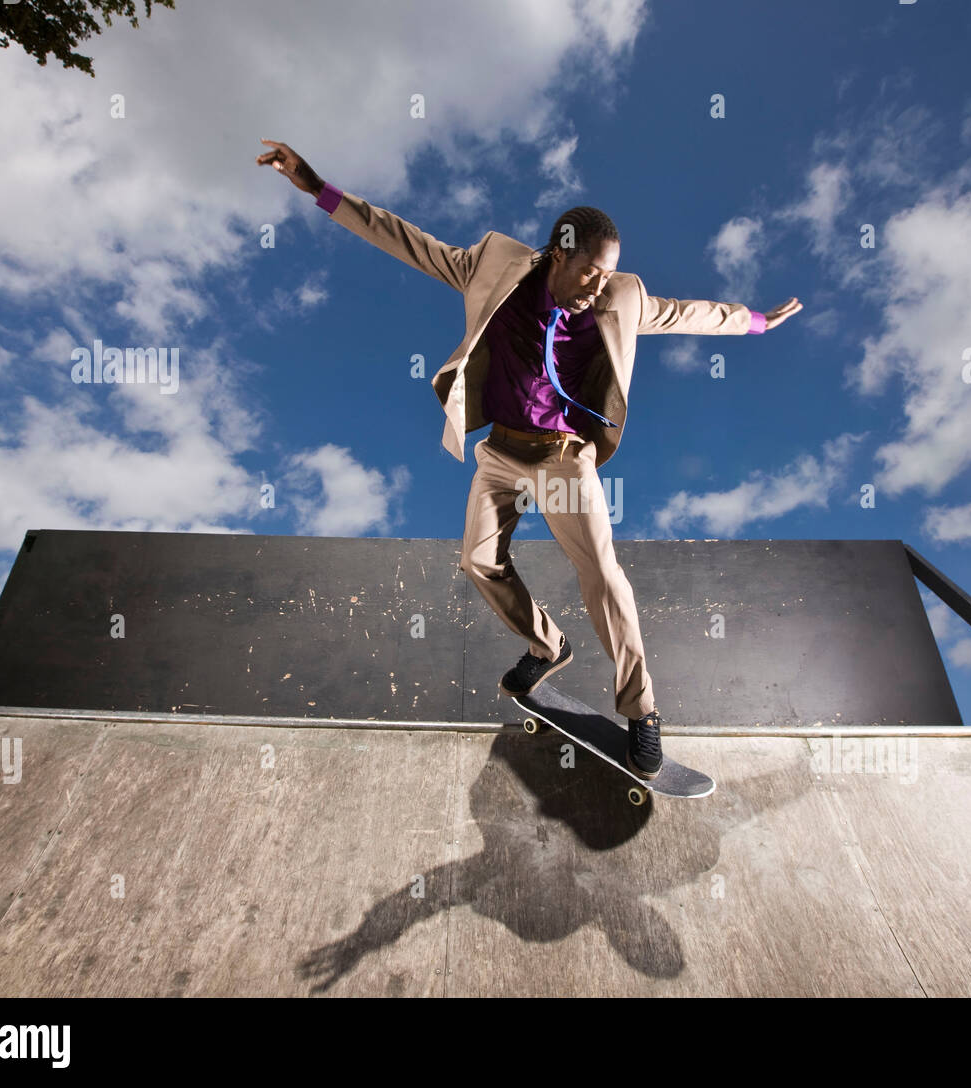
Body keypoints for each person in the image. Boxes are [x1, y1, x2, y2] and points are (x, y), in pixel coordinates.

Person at [257, 139, 803, 778]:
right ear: (558, 253)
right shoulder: (492, 266)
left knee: (600, 570)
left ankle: (643, 710)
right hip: (501, 455)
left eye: (605, 276)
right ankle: (548, 645)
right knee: (478, 561)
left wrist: (755, 322)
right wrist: (319, 187)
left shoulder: (618, 299)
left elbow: (687, 314)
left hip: (565, 461)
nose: (595, 288)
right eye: (587, 272)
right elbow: (402, 238)